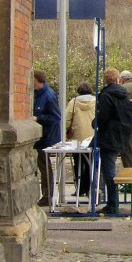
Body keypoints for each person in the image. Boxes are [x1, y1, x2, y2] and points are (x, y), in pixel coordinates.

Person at [95, 67, 132, 214]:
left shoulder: (106, 96)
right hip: (121, 135)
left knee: (108, 171)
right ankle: (112, 202)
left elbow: (103, 117)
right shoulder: (125, 95)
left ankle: (112, 204)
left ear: (105, 80)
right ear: (118, 79)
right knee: (110, 169)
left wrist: (95, 122)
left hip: (108, 137)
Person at [33, 70, 61, 207]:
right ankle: (45, 194)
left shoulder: (48, 96)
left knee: (45, 167)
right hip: (39, 137)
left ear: (36, 80)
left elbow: (56, 117)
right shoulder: (37, 94)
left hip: (46, 137)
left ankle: (47, 195)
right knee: (42, 167)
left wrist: (38, 118)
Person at [64, 81, 96, 197]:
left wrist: (64, 132)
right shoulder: (96, 102)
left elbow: (67, 119)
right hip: (92, 137)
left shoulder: (73, 102)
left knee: (78, 163)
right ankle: (88, 188)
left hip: (76, 139)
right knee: (90, 163)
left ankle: (79, 189)